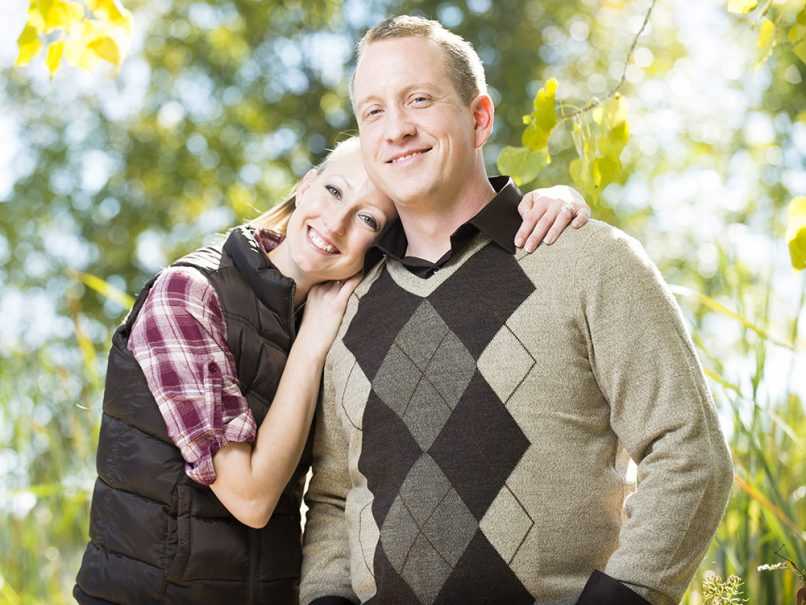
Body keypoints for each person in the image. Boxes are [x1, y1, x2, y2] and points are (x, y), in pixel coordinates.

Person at [299, 16, 734, 605]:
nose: (396, 128)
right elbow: (330, 497)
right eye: (373, 111)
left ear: (479, 117)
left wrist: (626, 597)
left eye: (419, 100)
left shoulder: (590, 262)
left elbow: (689, 451)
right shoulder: (346, 305)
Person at [72, 135, 592, 604]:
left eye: (368, 219)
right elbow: (249, 497)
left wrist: (552, 203)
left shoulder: (349, 312)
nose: (337, 224)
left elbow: (455, 248)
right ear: (305, 186)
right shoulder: (188, 294)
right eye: (336, 192)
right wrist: (312, 343)